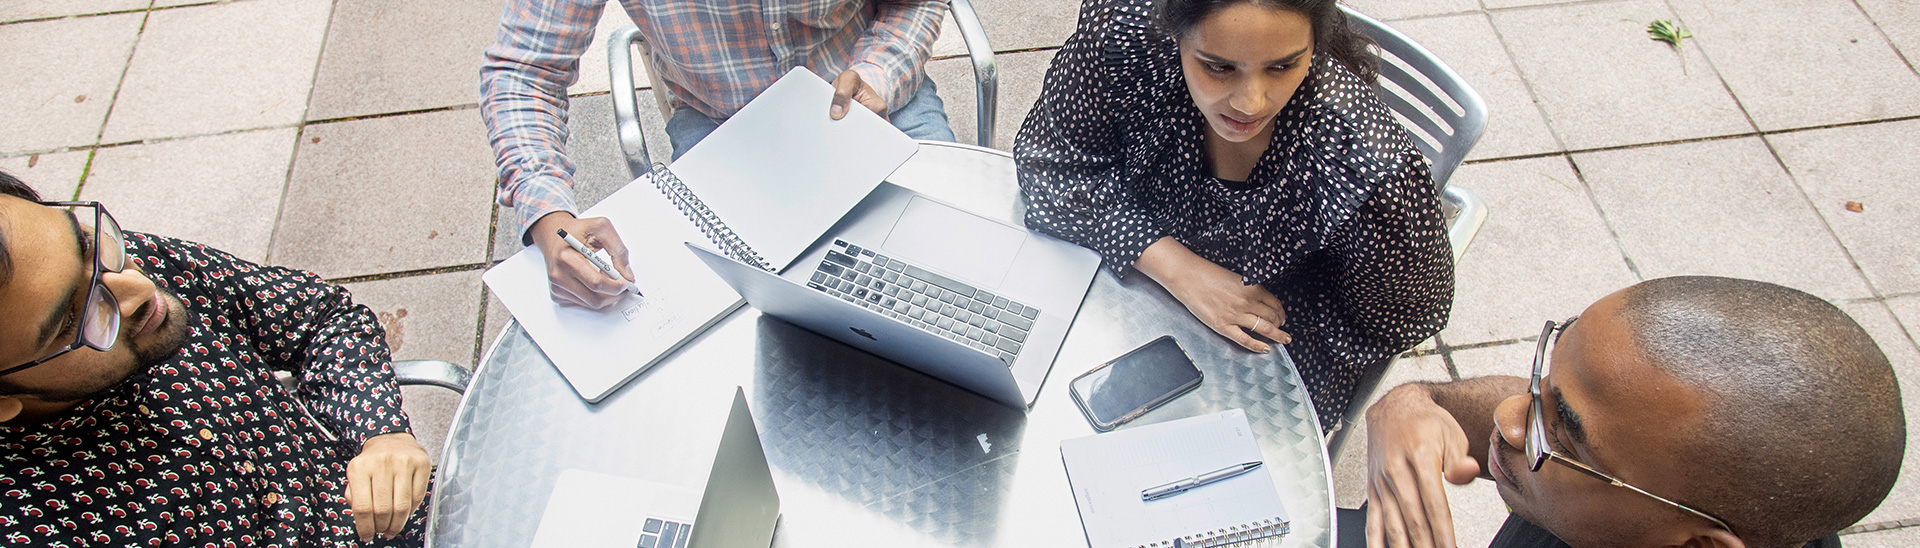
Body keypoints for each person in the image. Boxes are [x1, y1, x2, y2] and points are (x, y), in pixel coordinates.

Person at [1014, 0, 1453, 427]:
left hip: (1268, 337)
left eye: (1282, 67)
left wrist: (1278, 309)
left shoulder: (1367, 165)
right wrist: (1178, 268)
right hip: (1126, 280)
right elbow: (1049, 161)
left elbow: (1403, 313)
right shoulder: (1127, 34)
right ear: (1173, 30)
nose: (1249, 103)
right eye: (1218, 67)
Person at [0, 169, 433, 546]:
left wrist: (380, 435)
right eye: (76, 317)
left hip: (418, 511)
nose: (138, 288)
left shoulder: (113, 266)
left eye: (87, 243)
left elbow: (319, 315)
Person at [481, 0, 956, 311]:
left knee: (953, 275)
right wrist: (550, 216)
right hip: (721, 122)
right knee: (744, 328)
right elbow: (523, 72)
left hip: (864, 95)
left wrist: (879, 72)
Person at [1363, 276, 1904, 548]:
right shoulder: (1641, 490)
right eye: (1544, 381)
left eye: (1564, 439)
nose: (1509, 416)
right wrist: (1414, 403)